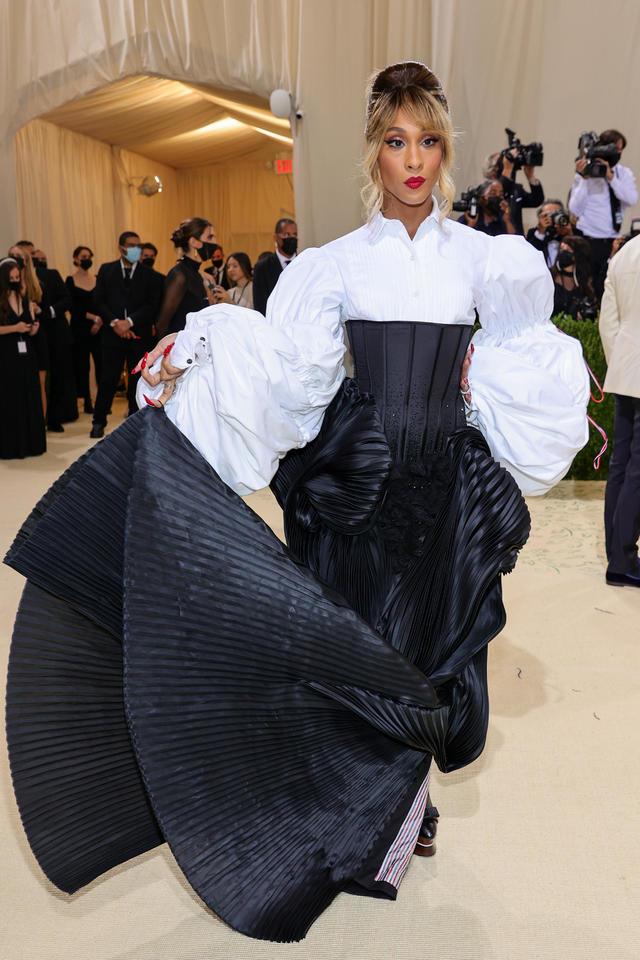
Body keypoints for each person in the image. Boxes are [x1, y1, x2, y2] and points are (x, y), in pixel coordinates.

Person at [5, 62, 589, 943]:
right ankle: (379, 825)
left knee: (430, 656)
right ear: (372, 152)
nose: (414, 159)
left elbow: (523, 362)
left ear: (446, 149)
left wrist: (484, 409)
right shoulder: (331, 266)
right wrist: (192, 366)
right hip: (358, 484)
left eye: (429, 140)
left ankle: (401, 802)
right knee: (358, 653)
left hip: (443, 488)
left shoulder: (488, 260)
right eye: (396, 141)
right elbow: (290, 381)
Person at [90, 231, 161, 438]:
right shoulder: (106, 270)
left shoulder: (149, 275)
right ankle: (98, 421)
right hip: (112, 335)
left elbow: (152, 305)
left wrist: (129, 322)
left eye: (138, 245)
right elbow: (98, 300)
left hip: (139, 336)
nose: (136, 250)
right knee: (108, 379)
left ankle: (136, 422)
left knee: (138, 381)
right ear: (121, 247)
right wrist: (115, 323)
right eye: (132, 245)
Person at [599, 234, 640, 587]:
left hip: (626, 369)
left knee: (621, 466)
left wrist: (620, 365)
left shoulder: (626, 251)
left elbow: (607, 320)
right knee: (637, 470)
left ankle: (618, 557)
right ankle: (623, 560)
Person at [569, 128, 638, 299]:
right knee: (586, 285)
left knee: (607, 285)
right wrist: (583, 178)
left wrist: (610, 176)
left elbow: (631, 199)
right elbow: (574, 209)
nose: (618, 153)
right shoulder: (587, 171)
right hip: (588, 238)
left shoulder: (623, 173)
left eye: (621, 150)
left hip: (611, 239)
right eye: (616, 148)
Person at [0, 257, 46, 458]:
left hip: (26, 352)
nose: (15, 281)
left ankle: (32, 443)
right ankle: (11, 445)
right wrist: (14, 328)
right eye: (11, 278)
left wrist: (33, 329)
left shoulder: (25, 299)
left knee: (29, 394)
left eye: (17, 277)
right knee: (10, 397)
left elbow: (30, 326)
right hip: (6, 354)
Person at [29, 246, 77, 429]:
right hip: (30, 335)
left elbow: (66, 300)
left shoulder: (51, 275)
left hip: (55, 334)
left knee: (57, 376)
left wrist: (46, 311)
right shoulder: (17, 280)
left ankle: (54, 418)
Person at [154, 218, 215, 339]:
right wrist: (165, 354)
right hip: (179, 349)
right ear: (194, 242)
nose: (215, 242)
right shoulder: (180, 275)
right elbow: (162, 323)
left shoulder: (196, 273)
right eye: (210, 237)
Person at [65, 246, 102, 414]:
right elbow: (72, 306)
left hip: (99, 327)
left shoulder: (97, 279)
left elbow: (102, 303)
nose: (87, 259)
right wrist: (92, 318)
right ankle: (86, 400)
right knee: (82, 366)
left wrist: (99, 321)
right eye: (83, 256)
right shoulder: (70, 280)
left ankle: (102, 400)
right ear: (75, 259)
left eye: (89, 256)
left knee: (101, 364)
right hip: (79, 328)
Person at [485, 149, 544, 235]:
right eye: (502, 162)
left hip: (516, 239)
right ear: (492, 171)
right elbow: (498, 196)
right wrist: (507, 169)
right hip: (496, 239)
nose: (507, 163)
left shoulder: (515, 189)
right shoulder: (485, 191)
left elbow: (536, 200)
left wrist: (530, 176)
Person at [252, 218, 297, 314]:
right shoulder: (262, 268)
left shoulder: (305, 263)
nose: (292, 238)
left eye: (295, 234)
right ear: (276, 237)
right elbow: (260, 305)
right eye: (287, 234)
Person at [551, 236, 597, 319]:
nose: (563, 252)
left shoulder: (585, 281)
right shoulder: (550, 276)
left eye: (568, 250)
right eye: (561, 249)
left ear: (577, 255)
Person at [526, 199, 573, 269]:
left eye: (557, 214)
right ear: (540, 218)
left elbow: (581, 256)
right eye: (548, 215)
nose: (553, 218)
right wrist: (540, 233)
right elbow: (529, 257)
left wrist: (569, 235)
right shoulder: (533, 233)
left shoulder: (572, 231)